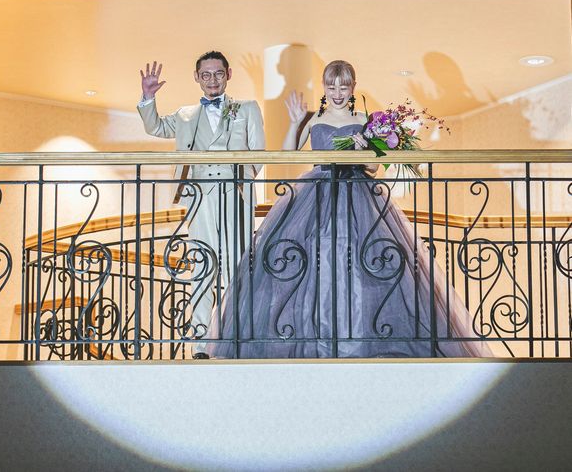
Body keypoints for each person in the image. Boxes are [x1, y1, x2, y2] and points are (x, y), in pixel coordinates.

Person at [208, 60, 490, 358]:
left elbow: (374, 167)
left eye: (343, 87)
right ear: (324, 87)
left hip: (358, 196)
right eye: (331, 87)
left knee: (361, 263)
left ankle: (360, 337)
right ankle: (316, 338)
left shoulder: (364, 118)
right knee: (312, 262)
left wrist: (361, 149)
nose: (337, 93)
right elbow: (288, 155)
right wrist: (294, 122)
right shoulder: (314, 118)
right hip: (316, 196)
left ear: (353, 87)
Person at [137, 52, 265, 358]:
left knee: (237, 265)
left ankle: (236, 337)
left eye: (218, 73)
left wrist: (240, 180)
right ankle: (199, 344)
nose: (212, 80)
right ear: (197, 77)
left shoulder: (246, 108)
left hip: (235, 194)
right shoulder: (185, 114)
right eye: (205, 74)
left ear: (228, 74)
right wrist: (148, 97)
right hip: (199, 196)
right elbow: (155, 127)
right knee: (202, 265)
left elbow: (259, 152)